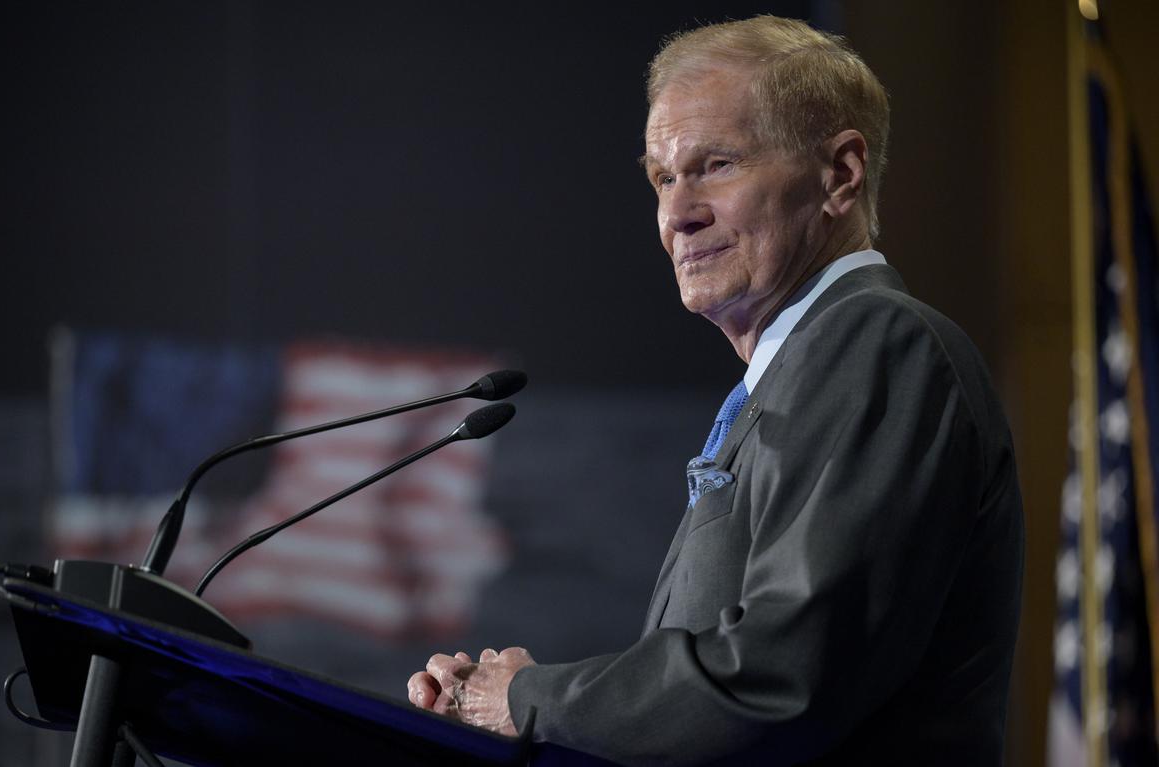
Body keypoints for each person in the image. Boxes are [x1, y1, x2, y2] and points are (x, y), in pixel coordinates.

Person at [407, 15, 1023, 766]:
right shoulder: (793, 375)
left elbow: (780, 679)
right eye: (663, 177)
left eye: (718, 165)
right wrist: (509, 710)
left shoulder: (876, 344)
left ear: (841, 175)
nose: (676, 213)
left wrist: (534, 699)